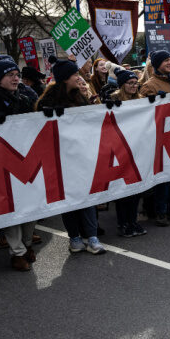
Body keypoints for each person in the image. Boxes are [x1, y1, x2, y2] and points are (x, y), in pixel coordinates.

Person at [36, 57, 106, 254]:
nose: (79, 77)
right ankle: (74, 238)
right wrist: (48, 116)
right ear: (65, 78)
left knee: (87, 197)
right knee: (69, 200)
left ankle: (92, 236)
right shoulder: (47, 100)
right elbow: (36, 129)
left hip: (81, 156)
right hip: (60, 160)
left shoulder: (79, 97)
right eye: (75, 74)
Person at [0, 57, 38, 270]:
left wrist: (50, 115)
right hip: (0, 165)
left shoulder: (24, 100)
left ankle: (27, 243)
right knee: (11, 209)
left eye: (17, 75)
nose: (16, 78)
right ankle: (18, 252)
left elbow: (37, 124)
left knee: (32, 206)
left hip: (26, 161)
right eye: (10, 75)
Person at [138, 51, 170, 226]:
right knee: (163, 176)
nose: (169, 62)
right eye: (165, 60)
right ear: (157, 64)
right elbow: (141, 109)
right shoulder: (149, 85)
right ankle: (160, 211)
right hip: (158, 137)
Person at [108, 68, 147, 237]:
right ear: (122, 85)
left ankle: (133, 221)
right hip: (120, 149)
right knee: (123, 189)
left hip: (137, 148)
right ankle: (122, 222)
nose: (133, 86)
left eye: (135, 83)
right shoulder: (113, 99)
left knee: (136, 188)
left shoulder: (141, 100)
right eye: (130, 83)